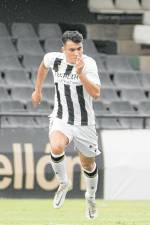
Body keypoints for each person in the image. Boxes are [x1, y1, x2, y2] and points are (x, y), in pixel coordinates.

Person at [32, 30, 101, 220]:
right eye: (72, 50)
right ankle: (63, 183)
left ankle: (91, 197)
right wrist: (37, 91)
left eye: (79, 48)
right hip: (61, 117)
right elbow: (43, 67)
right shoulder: (53, 59)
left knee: (88, 165)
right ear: (63, 49)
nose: (77, 53)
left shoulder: (89, 65)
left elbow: (96, 94)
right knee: (56, 146)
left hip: (84, 123)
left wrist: (81, 75)